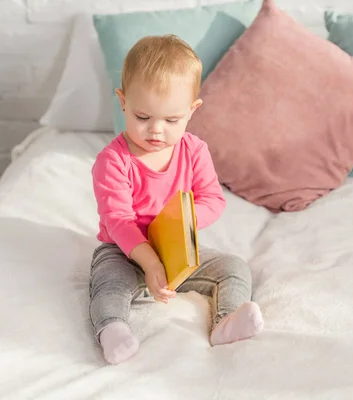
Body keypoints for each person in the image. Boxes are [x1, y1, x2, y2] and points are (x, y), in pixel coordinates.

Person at [89, 34, 264, 365]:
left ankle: (226, 322)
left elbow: (213, 199)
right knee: (107, 282)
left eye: (171, 120)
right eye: (143, 117)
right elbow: (118, 221)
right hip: (125, 250)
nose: (156, 130)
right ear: (122, 101)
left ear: (191, 110)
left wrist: (182, 223)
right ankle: (113, 329)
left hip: (175, 251)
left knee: (234, 267)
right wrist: (150, 262)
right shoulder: (113, 161)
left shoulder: (194, 151)